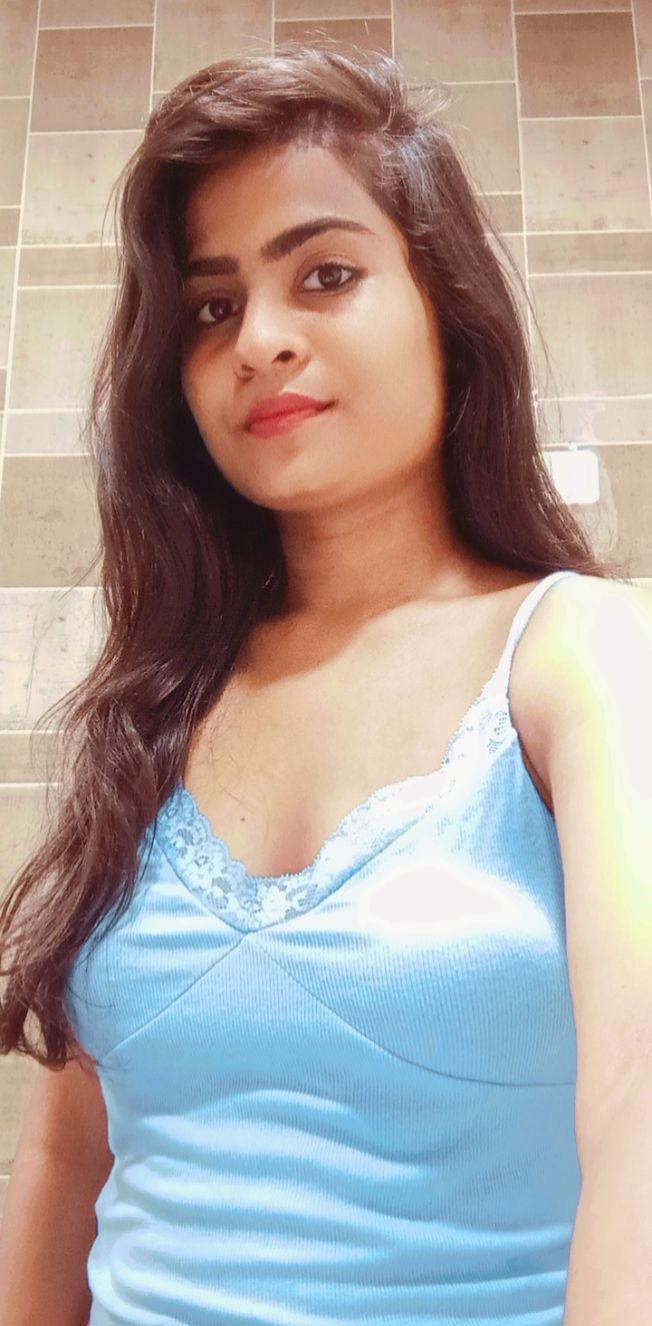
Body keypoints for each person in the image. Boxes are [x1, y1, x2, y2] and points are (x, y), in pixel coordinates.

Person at [0, 43, 650, 1326]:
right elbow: (68, 1159)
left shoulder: (579, 655)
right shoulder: (154, 706)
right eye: (210, 308)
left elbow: (640, 1106)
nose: (260, 342)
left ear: (445, 309)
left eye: (326, 275)